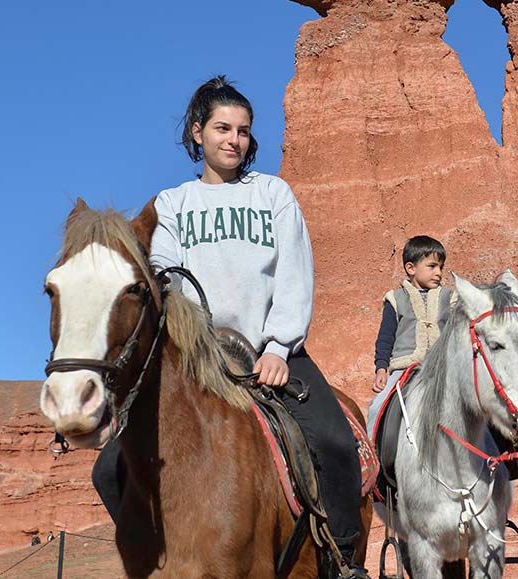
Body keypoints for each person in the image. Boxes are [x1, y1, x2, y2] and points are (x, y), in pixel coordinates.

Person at [148, 75, 367, 577]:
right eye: (222, 128)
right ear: (197, 132)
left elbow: (294, 272)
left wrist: (278, 347)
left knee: (334, 442)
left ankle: (344, 561)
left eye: (243, 131)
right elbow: (167, 279)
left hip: (272, 354)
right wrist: (193, 345)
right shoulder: (172, 204)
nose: (234, 139)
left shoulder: (273, 193)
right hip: (199, 356)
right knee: (110, 466)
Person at [366, 236, 453, 431]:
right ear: (411, 268)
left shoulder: (450, 298)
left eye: (441, 267)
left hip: (443, 368)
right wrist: (382, 368)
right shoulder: (395, 299)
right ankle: (371, 456)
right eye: (432, 266)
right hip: (404, 368)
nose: (438, 272)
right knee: (376, 408)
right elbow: (386, 338)